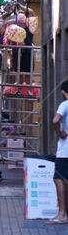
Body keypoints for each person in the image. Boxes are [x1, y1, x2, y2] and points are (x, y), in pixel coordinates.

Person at [49, 78, 68, 224]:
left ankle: (62, 214)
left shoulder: (65, 104)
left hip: (65, 150)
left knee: (58, 178)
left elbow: (55, 120)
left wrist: (59, 132)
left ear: (63, 92)